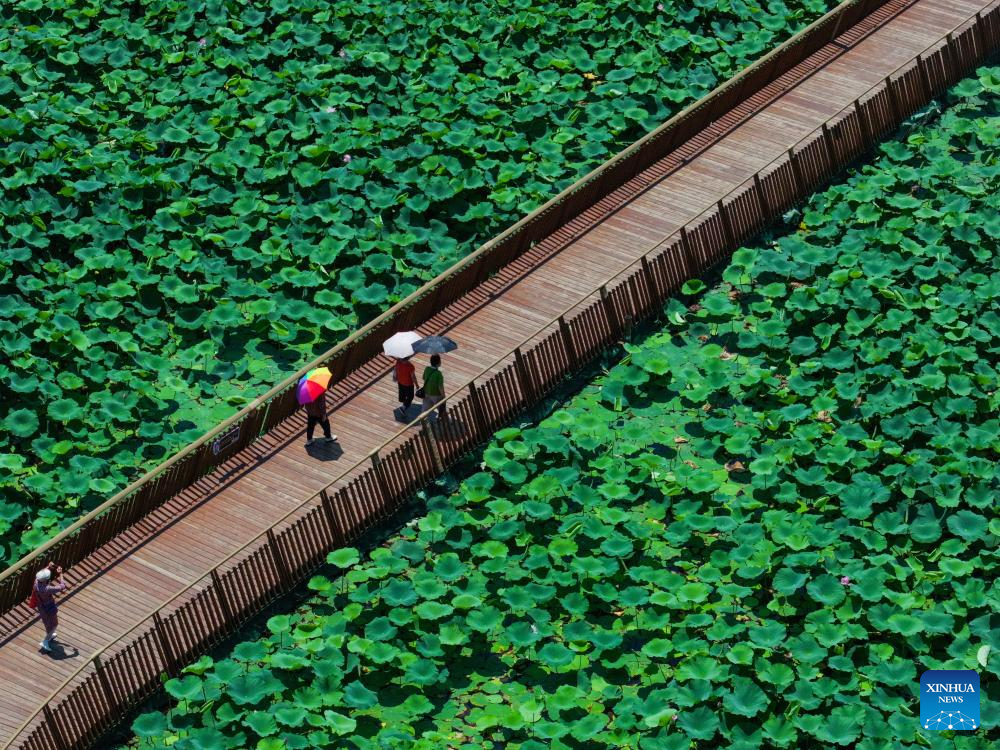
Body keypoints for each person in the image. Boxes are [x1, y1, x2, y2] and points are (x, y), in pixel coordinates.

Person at [33, 562, 68, 652]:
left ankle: (50, 635)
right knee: (55, 624)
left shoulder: (36, 582)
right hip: (49, 607)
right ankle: (45, 641)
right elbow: (62, 586)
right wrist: (60, 574)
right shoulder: (47, 589)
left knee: (47, 623)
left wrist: (48, 566)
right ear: (46, 580)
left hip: (41, 606)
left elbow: (42, 574)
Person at [421, 354, 446, 421]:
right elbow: (440, 387)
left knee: (425, 410)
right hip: (436, 394)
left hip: (426, 393)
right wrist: (444, 397)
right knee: (441, 408)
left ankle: (422, 421)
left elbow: (424, 378)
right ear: (438, 363)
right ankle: (444, 420)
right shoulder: (438, 374)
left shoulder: (427, 369)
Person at [393, 356, 417, 421]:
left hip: (400, 382)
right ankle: (403, 408)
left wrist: (394, 377)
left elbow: (395, 369)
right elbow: (413, 377)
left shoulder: (398, 361)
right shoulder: (410, 366)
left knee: (403, 395)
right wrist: (417, 385)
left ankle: (404, 408)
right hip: (408, 384)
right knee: (410, 396)